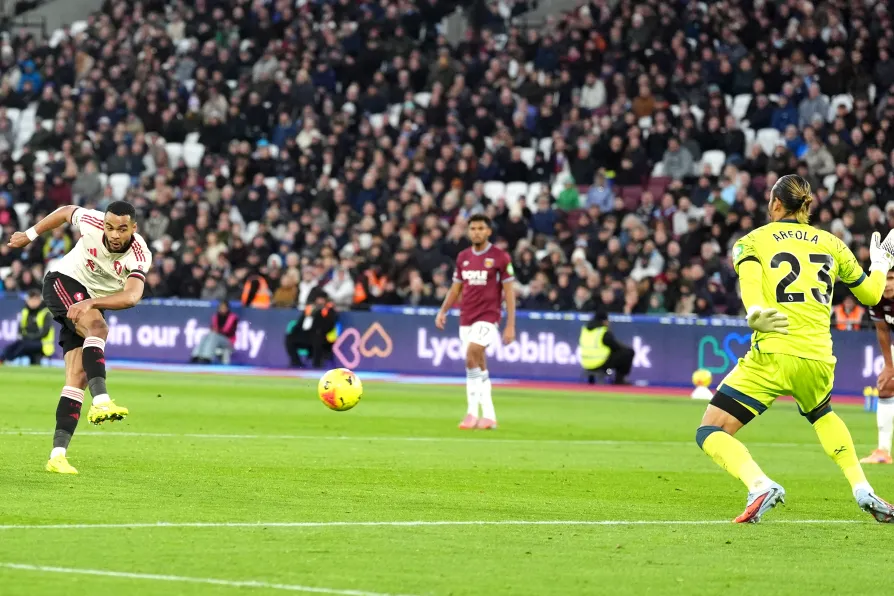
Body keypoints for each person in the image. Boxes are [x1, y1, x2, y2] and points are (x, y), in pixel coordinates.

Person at [694, 174, 894, 523]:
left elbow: (752, 291)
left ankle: (759, 484)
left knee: (710, 430)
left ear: (775, 203)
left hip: (773, 352)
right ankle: (861, 487)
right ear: (806, 206)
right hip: (819, 357)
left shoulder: (751, 241)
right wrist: (881, 264)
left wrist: (755, 314)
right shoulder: (832, 243)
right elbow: (873, 295)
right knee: (821, 413)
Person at [6, 201, 151, 475]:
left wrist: (91, 302)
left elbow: (132, 296)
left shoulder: (139, 254)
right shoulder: (92, 222)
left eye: (122, 229)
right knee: (98, 328)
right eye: (110, 227)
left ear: (134, 228)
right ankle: (101, 400)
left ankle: (57, 456)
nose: (114, 234)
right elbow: (64, 212)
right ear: (103, 224)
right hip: (63, 281)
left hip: (90, 300)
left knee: (78, 377)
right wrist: (30, 235)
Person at [435, 214, 516, 430]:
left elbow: (509, 292)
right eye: (473, 228)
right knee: (479, 364)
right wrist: (443, 310)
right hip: (466, 317)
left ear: (489, 231)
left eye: (481, 228)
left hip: (489, 316)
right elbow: (456, 288)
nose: (477, 232)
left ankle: (471, 413)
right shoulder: (463, 257)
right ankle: (489, 416)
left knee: (472, 353)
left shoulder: (500, 257)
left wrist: (510, 325)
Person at [863, 271, 894, 464]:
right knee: (885, 386)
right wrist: (889, 366)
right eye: (884, 279)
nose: (887, 284)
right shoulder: (875, 297)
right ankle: (883, 451)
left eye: (891, 279)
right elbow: (882, 331)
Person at [285, 288, 337, 368]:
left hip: (322, 336)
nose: (320, 301)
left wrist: (319, 314)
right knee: (290, 338)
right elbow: (300, 323)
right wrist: (294, 331)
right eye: (319, 299)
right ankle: (296, 362)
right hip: (306, 335)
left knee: (317, 338)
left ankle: (317, 364)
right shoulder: (310, 309)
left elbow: (329, 325)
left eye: (322, 299)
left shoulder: (328, 310)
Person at [0, 289, 54, 365]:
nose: (33, 302)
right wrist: (24, 336)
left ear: (40, 300)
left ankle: (8, 359)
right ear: (27, 300)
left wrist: (29, 337)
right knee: (12, 346)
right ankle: (2, 359)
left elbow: (45, 332)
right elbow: (20, 329)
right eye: (31, 299)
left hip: (43, 344)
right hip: (27, 340)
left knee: (23, 345)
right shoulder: (25, 311)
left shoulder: (45, 313)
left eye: (35, 299)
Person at [579, 311, 635, 385]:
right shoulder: (602, 332)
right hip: (600, 364)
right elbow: (616, 346)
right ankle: (619, 380)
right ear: (604, 321)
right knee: (628, 352)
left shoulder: (585, 330)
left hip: (585, 363)